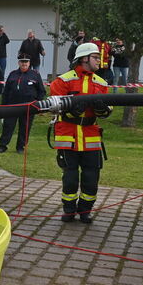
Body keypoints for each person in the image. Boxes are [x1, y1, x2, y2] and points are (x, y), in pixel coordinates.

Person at [50, 43, 112, 223]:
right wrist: (71, 110)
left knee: (91, 177)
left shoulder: (101, 83)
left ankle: (85, 211)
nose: (99, 61)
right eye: (95, 57)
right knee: (70, 177)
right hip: (68, 135)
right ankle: (69, 211)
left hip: (91, 135)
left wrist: (102, 109)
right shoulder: (63, 81)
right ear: (84, 58)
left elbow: (108, 110)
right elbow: (56, 106)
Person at [0, 53, 45, 154]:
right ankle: (2, 146)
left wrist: (38, 106)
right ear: (19, 63)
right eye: (22, 62)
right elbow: (6, 92)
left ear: (29, 63)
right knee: (8, 127)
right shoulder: (13, 74)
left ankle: (20, 147)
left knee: (25, 128)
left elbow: (41, 91)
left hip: (28, 107)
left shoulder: (35, 75)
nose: (24, 64)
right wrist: (3, 106)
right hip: (12, 106)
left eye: (26, 62)